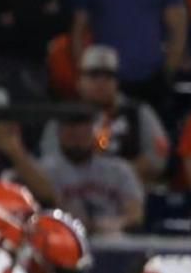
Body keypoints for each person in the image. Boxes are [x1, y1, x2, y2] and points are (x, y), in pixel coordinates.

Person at [38, 45, 170, 184]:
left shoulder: (139, 112)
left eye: (108, 75)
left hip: (130, 191)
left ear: (117, 82)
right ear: (79, 82)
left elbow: (158, 156)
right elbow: (49, 158)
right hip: (74, 190)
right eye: (93, 75)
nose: (101, 82)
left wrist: (116, 176)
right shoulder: (66, 115)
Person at [33, 109, 145, 235]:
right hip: (63, 239)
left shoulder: (118, 169)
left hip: (114, 240)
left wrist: (117, 224)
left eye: (83, 135)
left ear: (92, 133)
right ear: (60, 134)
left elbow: (135, 215)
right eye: (71, 134)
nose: (77, 141)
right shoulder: (44, 170)